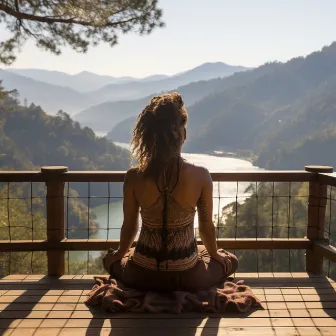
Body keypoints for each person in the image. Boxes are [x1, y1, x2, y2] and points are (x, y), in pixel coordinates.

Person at [103, 92, 238, 293]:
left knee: (108, 259)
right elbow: (206, 227)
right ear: (183, 135)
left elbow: (130, 227)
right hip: (188, 276)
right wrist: (215, 255)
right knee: (231, 260)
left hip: (141, 274)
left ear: (148, 136)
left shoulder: (133, 177)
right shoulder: (201, 175)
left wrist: (120, 254)